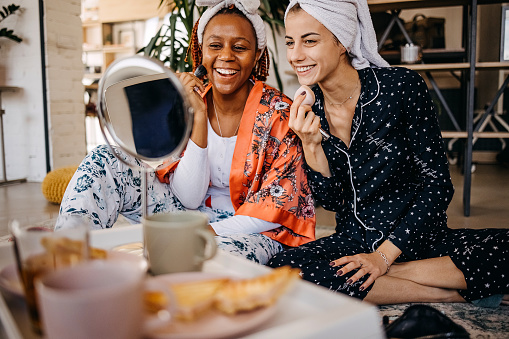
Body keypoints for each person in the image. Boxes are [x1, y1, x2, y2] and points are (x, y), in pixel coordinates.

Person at [268, 0, 509, 307]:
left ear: (342, 41)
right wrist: (310, 144)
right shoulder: (308, 110)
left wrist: (383, 259)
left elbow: (438, 186)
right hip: (352, 244)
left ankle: (393, 276)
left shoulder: (401, 88)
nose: (295, 55)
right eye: (290, 43)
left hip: (418, 239)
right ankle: (444, 292)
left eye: (309, 41)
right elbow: (331, 201)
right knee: (281, 271)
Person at [56, 0, 316, 265]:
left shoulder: (280, 114)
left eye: (239, 47)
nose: (226, 55)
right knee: (105, 159)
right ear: (200, 51)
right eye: (215, 45)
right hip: (187, 212)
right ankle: (69, 259)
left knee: (202, 258)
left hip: (250, 230)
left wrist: (203, 233)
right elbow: (189, 199)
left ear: (257, 54)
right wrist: (199, 117)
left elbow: (273, 209)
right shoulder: (187, 103)